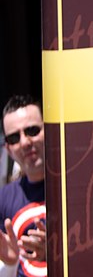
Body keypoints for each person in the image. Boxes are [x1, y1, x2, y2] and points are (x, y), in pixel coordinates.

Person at [0, 95, 47, 277]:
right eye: (14, 137)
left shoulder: (76, 187)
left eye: (32, 130)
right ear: (8, 149)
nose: (25, 142)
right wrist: (10, 263)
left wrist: (54, 252)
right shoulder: (4, 199)